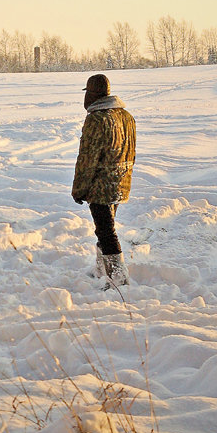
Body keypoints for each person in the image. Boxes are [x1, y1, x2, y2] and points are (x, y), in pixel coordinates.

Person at [71, 74, 136, 288]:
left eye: (88, 92)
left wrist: (79, 189)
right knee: (105, 227)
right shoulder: (125, 116)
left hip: (101, 185)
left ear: (93, 94)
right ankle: (102, 269)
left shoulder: (97, 119)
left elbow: (88, 158)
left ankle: (118, 277)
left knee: (106, 230)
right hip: (120, 181)